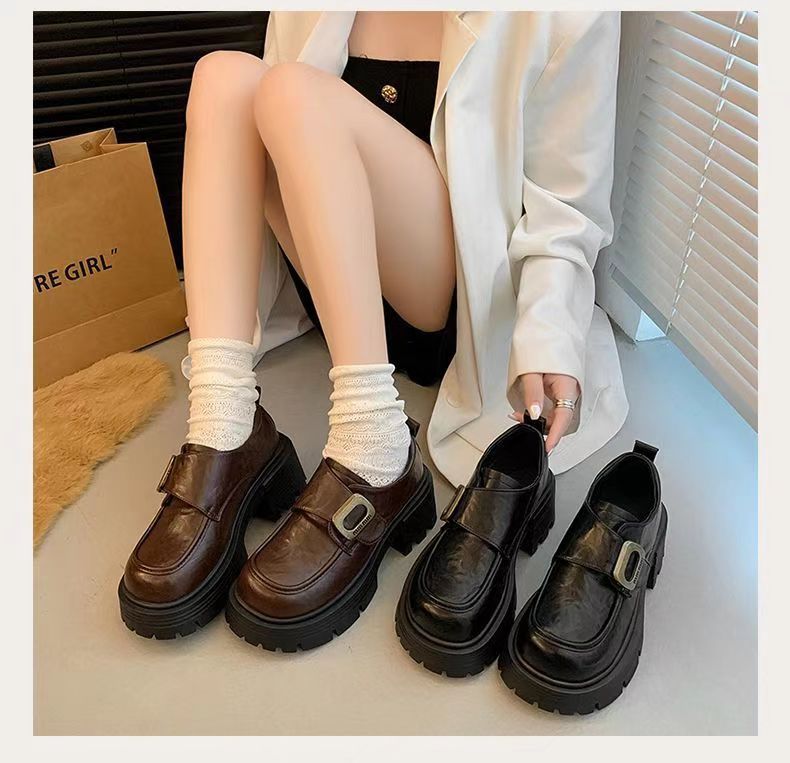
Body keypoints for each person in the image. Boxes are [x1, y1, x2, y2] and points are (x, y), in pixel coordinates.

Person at [119, 11, 628, 645]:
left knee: (293, 90)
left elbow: (566, 207)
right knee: (224, 78)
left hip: (451, 303)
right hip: (336, 294)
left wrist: (550, 335)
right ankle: (226, 425)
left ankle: (376, 447)